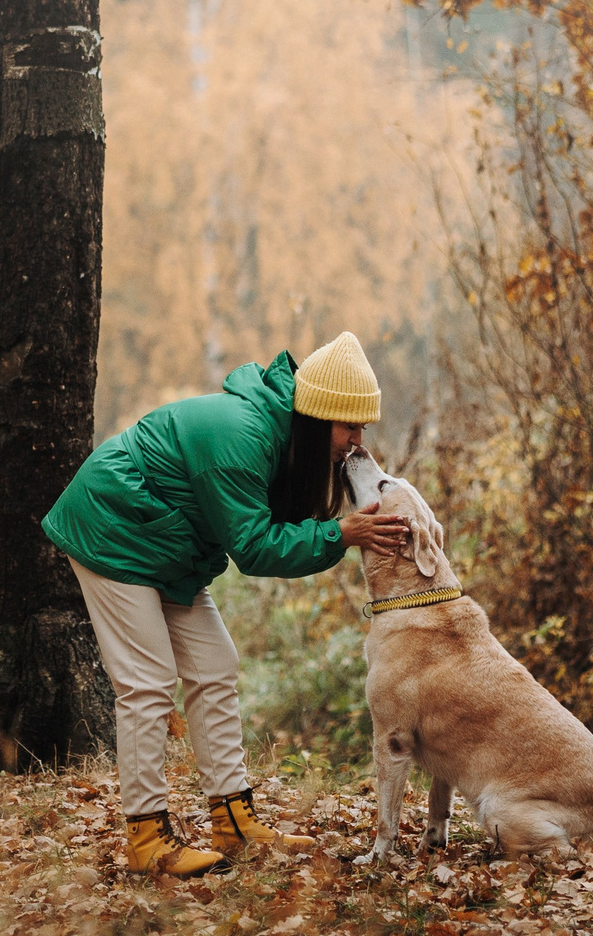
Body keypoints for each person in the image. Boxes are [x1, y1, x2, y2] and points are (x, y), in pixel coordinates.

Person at [42, 331, 413, 876]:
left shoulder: (285, 443)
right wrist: (341, 535)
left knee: (216, 664)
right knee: (147, 682)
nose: (356, 440)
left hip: (165, 543)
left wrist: (339, 530)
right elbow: (256, 548)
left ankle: (234, 822)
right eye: (347, 426)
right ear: (314, 416)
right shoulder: (242, 438)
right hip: (113, 527)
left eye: (362, 427)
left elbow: (267, 528)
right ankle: (146, 839)